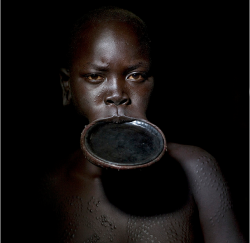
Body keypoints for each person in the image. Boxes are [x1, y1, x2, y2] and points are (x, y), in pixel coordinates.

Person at [39, 6, 246, 243]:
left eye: (135, 76)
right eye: (95, 77)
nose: (117, 94)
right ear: (67, 87)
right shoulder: (50, 188)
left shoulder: (196, 169)